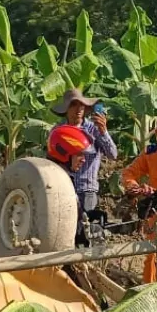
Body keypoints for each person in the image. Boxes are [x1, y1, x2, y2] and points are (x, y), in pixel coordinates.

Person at [52, 88, 118, 220]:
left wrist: (104, 132)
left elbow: (113, 155)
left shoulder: (94, 129)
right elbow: (51, 160)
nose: (78, 109)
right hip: (64, 188)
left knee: (86, 226)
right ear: (66, 109)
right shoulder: (58, 132)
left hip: (87, 190)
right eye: (73, 105)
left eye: (81, 105)